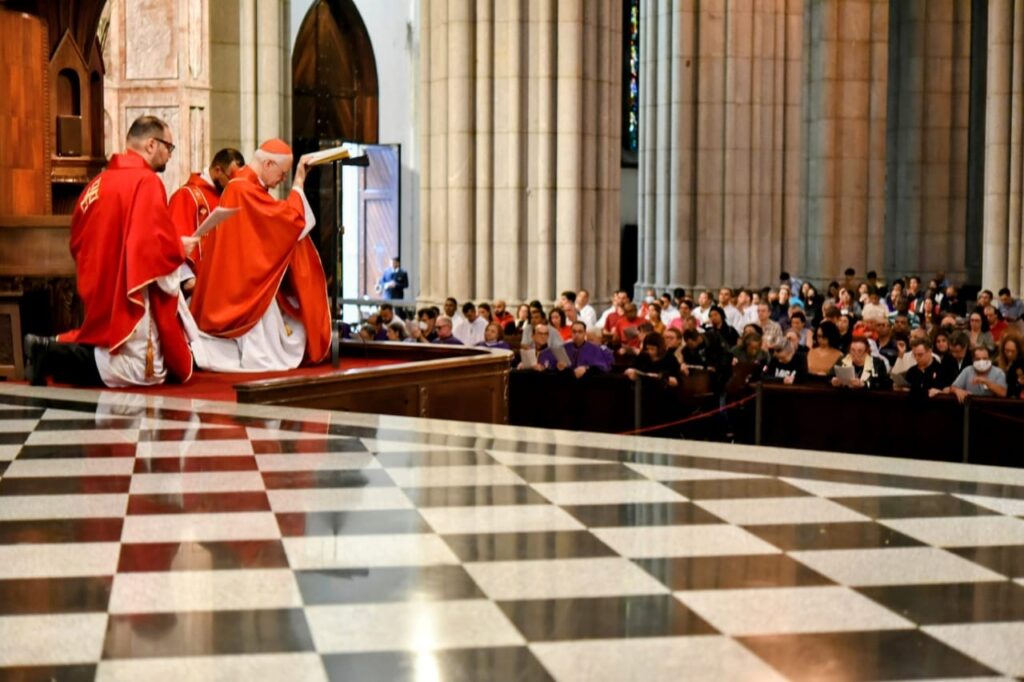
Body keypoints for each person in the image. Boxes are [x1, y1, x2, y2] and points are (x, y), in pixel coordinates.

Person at [27, 115, 193, 388]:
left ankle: (50, 347)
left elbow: (79, 238)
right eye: (168, 148)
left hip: (100, 282)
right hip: (128, 284)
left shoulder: (97, 183)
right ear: (151, 145)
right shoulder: (145, 182)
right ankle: (50, 355)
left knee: (113, 349)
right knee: (140, 370)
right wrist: (177, 247)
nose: (169, 155)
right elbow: (149, 245)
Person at [185, 138, 331, 371]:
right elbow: (289, 221)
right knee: (268, 355)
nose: (282, 180)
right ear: (268, 164)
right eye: (282, 173)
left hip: (240, 278)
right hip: (241, 287)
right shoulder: (243, 188)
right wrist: (298, 182)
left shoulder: (244, 186)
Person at [167, 148, 245, 286]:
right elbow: (175, 243)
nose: (233, 185)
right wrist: (188, 280)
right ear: (217, 170)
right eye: (230, 179)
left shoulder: (229, 198)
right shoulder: (186, 195)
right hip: (196, 288)